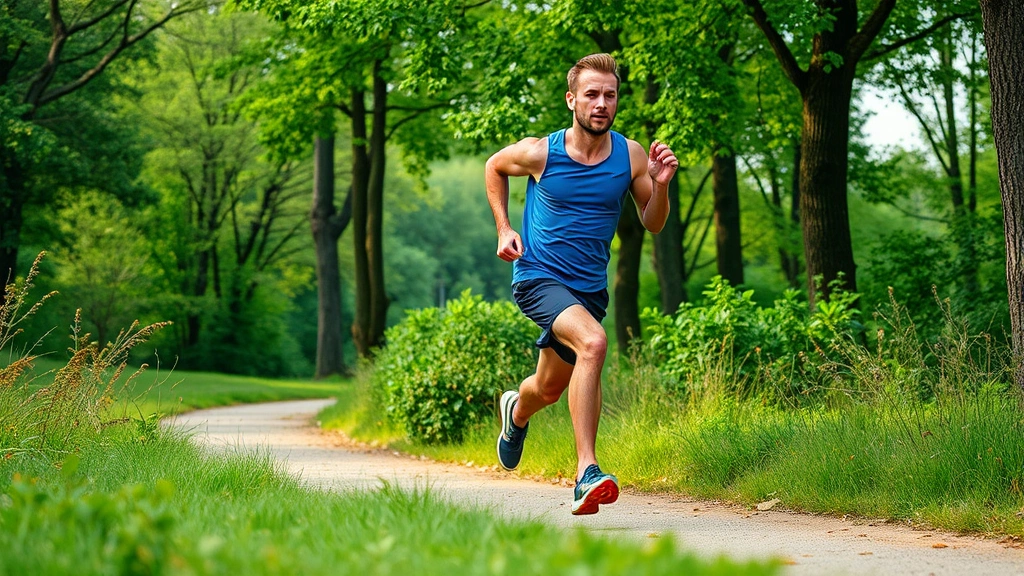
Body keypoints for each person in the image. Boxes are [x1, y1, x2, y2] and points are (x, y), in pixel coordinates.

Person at [484, 53, 678, 515]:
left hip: (587, 291)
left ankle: (516, 412)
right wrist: (504, 228)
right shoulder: (541, 152)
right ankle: (586, 472)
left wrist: (662, 184)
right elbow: (493, 166)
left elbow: (652, 223)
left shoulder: (629, 155)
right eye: (591, 94)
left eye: (610, 95)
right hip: (538, 277)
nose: (601, 103)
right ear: (572, 99)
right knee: (593, 343)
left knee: (548, 389)